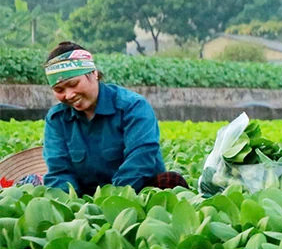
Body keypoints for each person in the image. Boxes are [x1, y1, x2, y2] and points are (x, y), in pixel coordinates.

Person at [42, 42, 187, 195]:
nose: (69, 95)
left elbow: (141, 158)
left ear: (94, 73)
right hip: (86, 201)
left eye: (74, 84)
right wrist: (73, 205)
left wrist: (113, 200)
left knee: (172, 182)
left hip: (137, 192)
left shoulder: (132, 107)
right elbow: (59, 171)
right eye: (59, 90)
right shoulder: (56, 119)